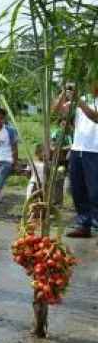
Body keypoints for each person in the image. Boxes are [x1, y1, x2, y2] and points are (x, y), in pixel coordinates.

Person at [57, 80, 98, 238]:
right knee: (78, 189)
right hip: (77, 149)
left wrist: (78, 102)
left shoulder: (82, 102)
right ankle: (83, 224)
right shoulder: (82, 99)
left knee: (95, 191)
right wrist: (63, 92)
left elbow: (95, 117)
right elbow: (58, 110)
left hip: (94, 151)